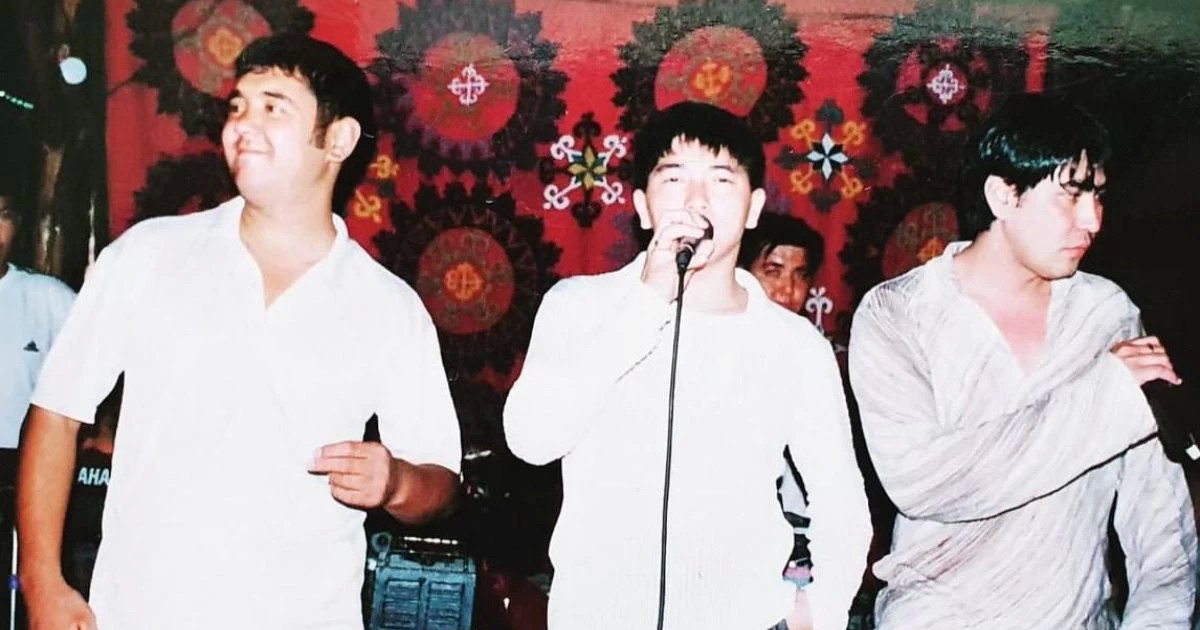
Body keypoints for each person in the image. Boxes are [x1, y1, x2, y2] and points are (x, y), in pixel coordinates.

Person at [18, 34, 462, 630]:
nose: (242, 125)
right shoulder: (149, 255)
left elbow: (442, 483)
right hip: (142, 613)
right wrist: (43, 583)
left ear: (338, 140)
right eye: (238, 106)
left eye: (273, 107)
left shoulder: (388, 307)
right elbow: (56, 412)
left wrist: (396, 482)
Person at [504, 101, 871, 630]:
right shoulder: (577, 306)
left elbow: (842, 503)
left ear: (753, 207)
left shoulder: (796, 345)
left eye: (721, 180)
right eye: (674, 178)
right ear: (643, 206)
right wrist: (647, 301)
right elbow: (531, 440)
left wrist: (819, 613)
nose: (696, 200)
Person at [849, 93, 1197, 629]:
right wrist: (1104, 399)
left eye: (1098, 195)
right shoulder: (897, 312)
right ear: (1003, 196)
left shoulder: (1107, 314)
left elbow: (1163, 522)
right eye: (1070, 196)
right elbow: (922, 480)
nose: (1093, 220)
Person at [738, 212, 828, 586]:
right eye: (773, 272)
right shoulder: (714, 349)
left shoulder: (811, 353)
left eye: (800, 275)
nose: (787, 291)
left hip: (795, 544)